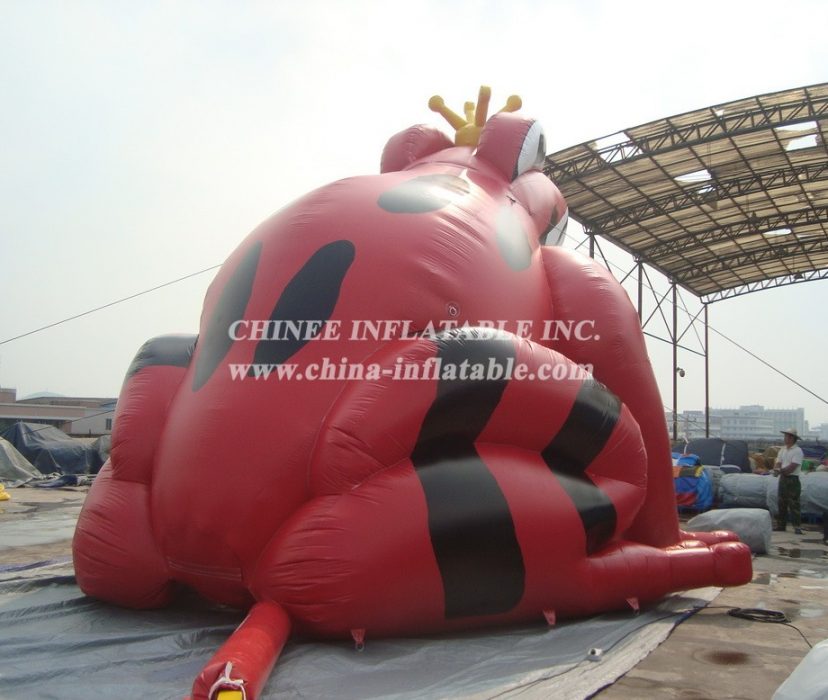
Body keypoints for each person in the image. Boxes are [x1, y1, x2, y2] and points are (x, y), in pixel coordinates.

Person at [774, 428, 804, 534]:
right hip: (783, 478)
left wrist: (780, 471)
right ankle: (781, 525)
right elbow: (778, 462)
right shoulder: (783, 450)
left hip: (792, 479)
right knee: (781, 502)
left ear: (792, 438)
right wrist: (776, 468)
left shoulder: (797, 451)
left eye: (787, 436)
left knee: (794, 503)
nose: (785, 438)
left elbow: (793, 466)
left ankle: (797, 526)